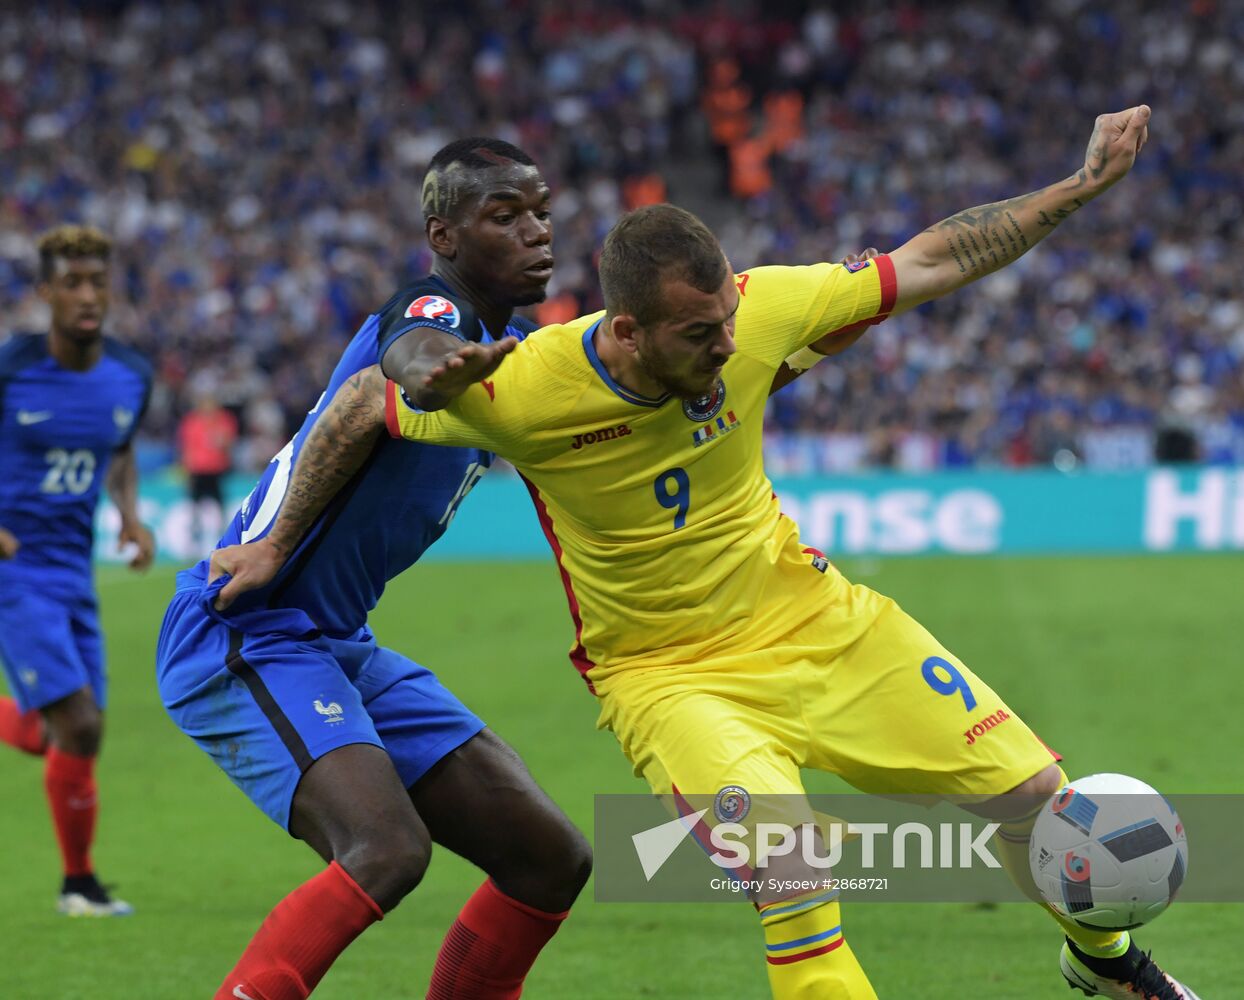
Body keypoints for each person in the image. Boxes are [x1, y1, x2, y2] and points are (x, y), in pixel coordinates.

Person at [380, 107, 1197, 999]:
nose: (729, 345)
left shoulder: (759, 310)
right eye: (699, 333)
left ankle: (1103, 961)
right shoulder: (522, 389)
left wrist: (1078, 190)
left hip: (815, 621)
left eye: (729, 316)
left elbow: (932, 258)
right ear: (626, 331)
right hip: (668, 677)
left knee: (1038, 799)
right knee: (794, 874)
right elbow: (363, 405)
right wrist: (266, 541)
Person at [155, 138, 591, 1000]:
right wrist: (433, 375)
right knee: (386, 849)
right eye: (505, 216)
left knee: (548, 859)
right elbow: (409, 360)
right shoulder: (436, 311)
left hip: (335, 642)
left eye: (540, 211)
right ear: (446, 235)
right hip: (247, 624)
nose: (537, 232)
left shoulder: (515, 351)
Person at [0, 225, 155, 917]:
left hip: (73, 568)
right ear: (47, 293)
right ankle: (78, 886)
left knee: (67, 733)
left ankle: (79, 882)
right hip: (14, 569)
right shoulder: (14, 368)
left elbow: (118, 452)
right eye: (72, 283)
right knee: (82, 724)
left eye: (98, 282)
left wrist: (128, 514)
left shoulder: (131, 375)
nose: (87, 296)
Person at [178, 391, 239, 553]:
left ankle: (225, 543)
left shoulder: (224, 420)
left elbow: (228, 442)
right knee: (194, 510)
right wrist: (187, 469)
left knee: (220, 508)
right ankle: (193, 544)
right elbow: (186, 447)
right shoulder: (192, 421)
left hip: (216, 470)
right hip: (197, 471)